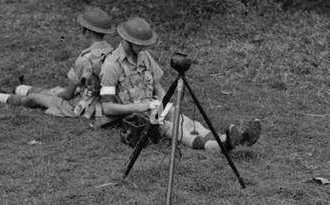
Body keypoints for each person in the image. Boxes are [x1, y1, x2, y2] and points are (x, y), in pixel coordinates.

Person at [98, 16, 261, 153]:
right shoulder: (111, 65)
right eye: (140, 43)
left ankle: (236, 140)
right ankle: (219, 147)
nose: (144, 47)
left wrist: (167, 105)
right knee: (170, 127)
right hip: (135, 117)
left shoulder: (144, 56)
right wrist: (140, 107)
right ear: (127, 40)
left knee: (187, 122)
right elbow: (107, 108)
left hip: (154, 107)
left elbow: (157, 86)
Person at [0, 7, 116, 120]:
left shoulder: (85, 59)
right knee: (48, 91)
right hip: (96, 99)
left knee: (36, 98)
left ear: (87, 31)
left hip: (82, 105)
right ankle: (17, 88)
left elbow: (67, 94)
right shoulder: (111, 51)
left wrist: (57, 95)